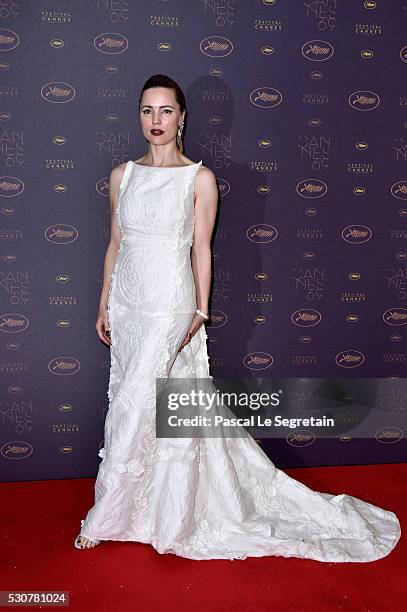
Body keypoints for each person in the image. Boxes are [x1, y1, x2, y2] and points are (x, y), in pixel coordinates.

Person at [74, 74, 401, 562]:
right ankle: (151, 510)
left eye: (166, 110)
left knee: (138, 401)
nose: (156, 120)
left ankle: (109, 514)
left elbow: (202, 249)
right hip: (130, 302)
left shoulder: (198, 178)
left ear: (182, 117)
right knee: (136, 398)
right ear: (138, 116)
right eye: (148, 110)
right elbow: (116, 244)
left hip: (169, 301)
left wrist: (200, 309)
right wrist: (103, 301)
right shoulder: (123, 176)